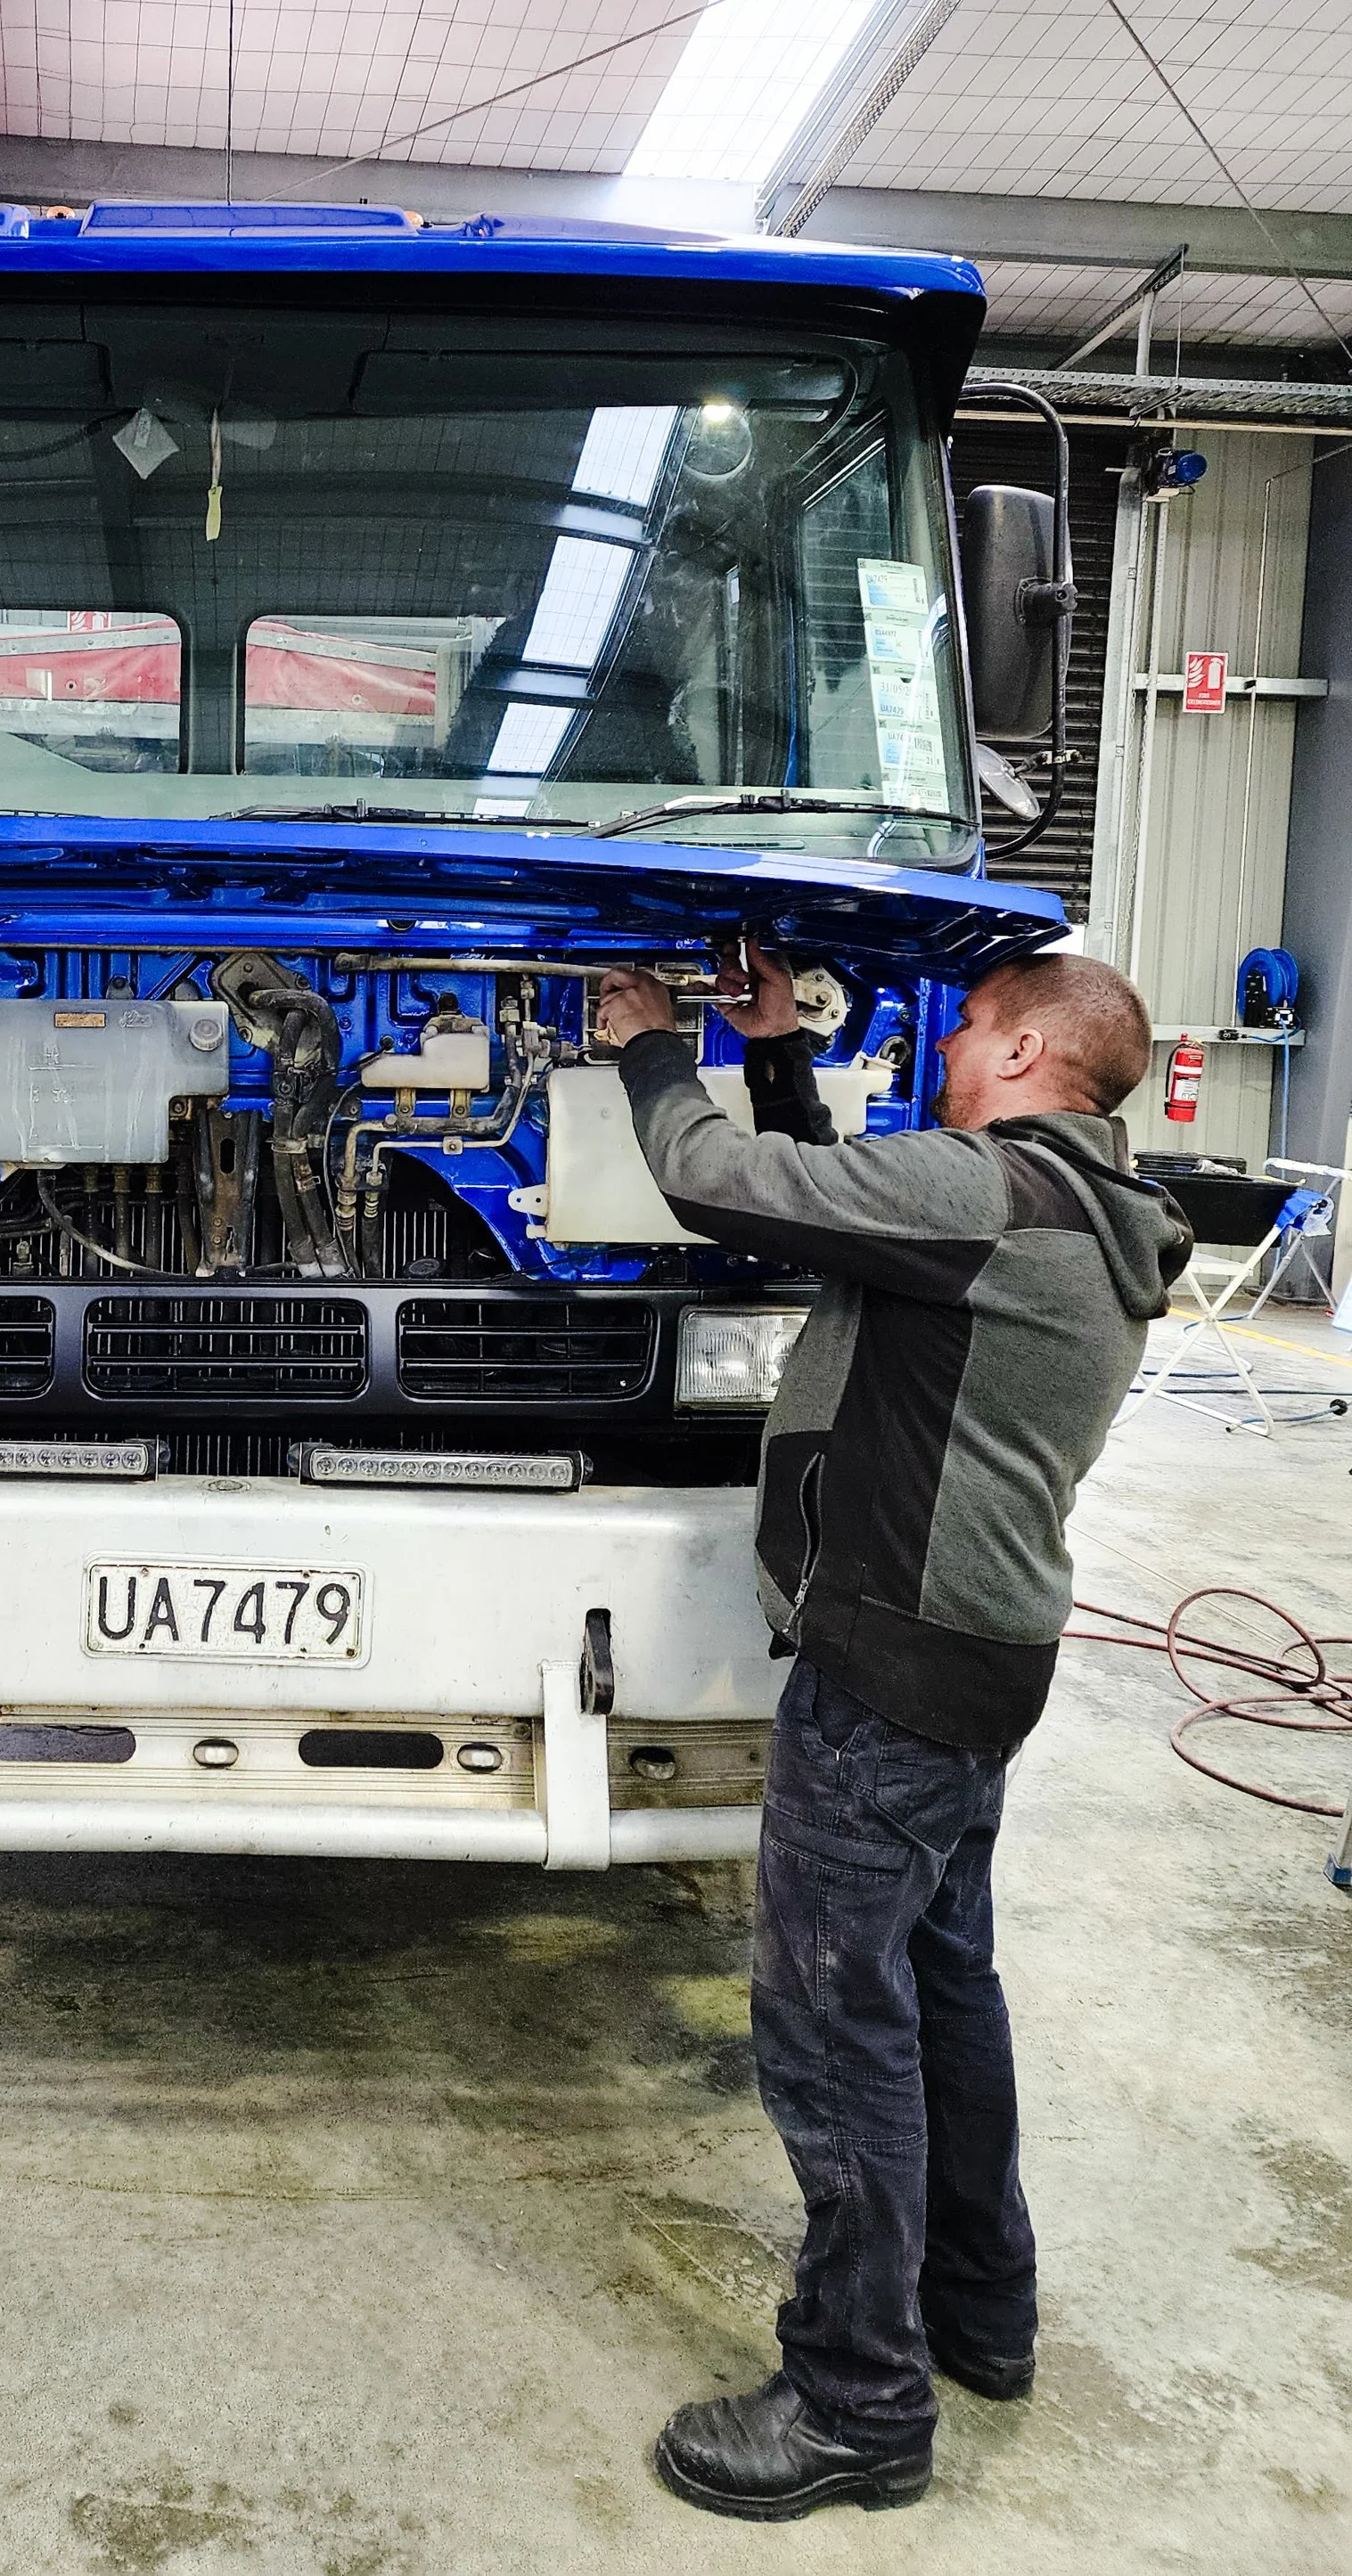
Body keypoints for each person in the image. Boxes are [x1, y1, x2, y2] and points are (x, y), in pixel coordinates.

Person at [592, 944, 1191, 2524]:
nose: (949, 1050)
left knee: (831, 2031)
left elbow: (726, 1185)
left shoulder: (986, 1194)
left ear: (1022, 1057)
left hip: (887, 1681)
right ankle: (983, 2318)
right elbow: (843, 1196)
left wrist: (653, 1048)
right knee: (940, 1991)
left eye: (972, 1032)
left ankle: (857, 2404)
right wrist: (780, 1047)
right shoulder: (1077, 1209)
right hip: (978, 1664)